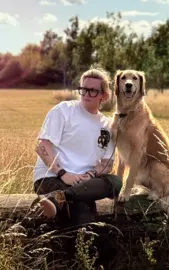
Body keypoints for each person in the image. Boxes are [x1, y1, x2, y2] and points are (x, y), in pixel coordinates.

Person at [32, 68, 122, 226]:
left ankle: (59, 197)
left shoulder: (108, 126)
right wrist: (64, 174)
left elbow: (107, 164)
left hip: (84, 183)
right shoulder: (64, 110)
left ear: (104, 95)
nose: (86, 94)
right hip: (51, 177)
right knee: (82, 208)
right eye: (83, 90)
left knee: (115, 182)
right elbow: (42, 147)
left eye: (92, 91)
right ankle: (60, 199)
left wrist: (90, 175)